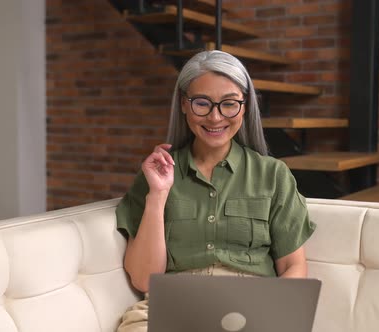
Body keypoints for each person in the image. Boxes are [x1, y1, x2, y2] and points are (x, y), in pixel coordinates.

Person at [115, 50, 316, 332]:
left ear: (245, 107)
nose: (215, 117)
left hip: (249, 308)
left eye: (229, 104)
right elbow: (144, 280)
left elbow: (294, 267)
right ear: (184, 104)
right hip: (173, 306)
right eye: (202, 103)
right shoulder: (155, 176)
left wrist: (267, 313)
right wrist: (158, 195)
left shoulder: (273, 175)